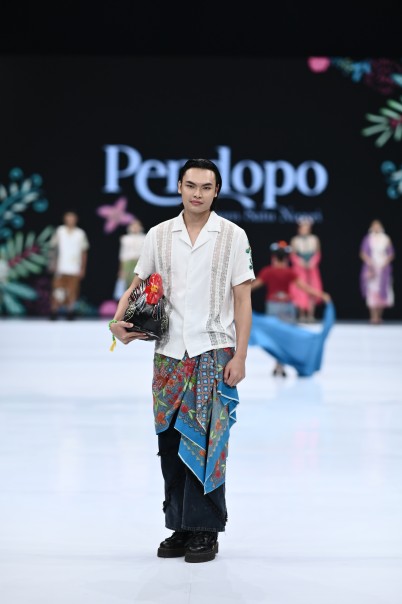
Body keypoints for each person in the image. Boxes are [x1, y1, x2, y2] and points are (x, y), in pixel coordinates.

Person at [109, 158, 255, 563]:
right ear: (178, 187)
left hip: (214, 350)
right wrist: (117, 323)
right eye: (191, 185)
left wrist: (241, 355)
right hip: (168, 354)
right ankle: (179, 525)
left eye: (206, 187)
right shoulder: (158, 235)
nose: (197, 193)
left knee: (207, 441)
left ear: (216, 191)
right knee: (170, 441)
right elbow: (137, 285)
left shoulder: (233, 236)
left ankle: (205, 529)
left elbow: (243, 299)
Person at [251, 240, 330, 376]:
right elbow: (305, 288)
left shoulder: (268, 272)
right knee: (285, 337)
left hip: (273, 307)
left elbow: (253, 286)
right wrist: (321, 295)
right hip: (287, 307)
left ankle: (278, 365)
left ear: (273, 257)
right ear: (286, 258)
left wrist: (235, 292)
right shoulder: (290, 272)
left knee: (275, 337)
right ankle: (281, 365)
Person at [49, 210, 89, 320]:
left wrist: (83, 268)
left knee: (72, 290)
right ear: (65, 219)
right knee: (57, 290)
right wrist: (52, 263)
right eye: (68, 218)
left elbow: (84, 252)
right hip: (60, 267)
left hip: (74, 267)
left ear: (76, 220)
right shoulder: (60, 231)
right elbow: (53, 248)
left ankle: (70, 312)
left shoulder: (80, 233)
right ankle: (54, 312)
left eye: (72, 218)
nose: (70, 220)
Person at [359, 219, 395, 324]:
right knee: (372, 291)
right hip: (371, 268)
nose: (376, 228)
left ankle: (379, 316)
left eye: (378, 226)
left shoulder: (386, 239)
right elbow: (362, 253)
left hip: (383, 269)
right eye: (374, 226)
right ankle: (373, 317)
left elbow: (391, 254)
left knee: (382, 291)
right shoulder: (368, 239)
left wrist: (384, 263)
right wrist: (369, 262)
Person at [289, 217, 323, 322]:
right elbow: (292, 255)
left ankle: (311, 315)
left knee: (313, 289)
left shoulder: (314, 239)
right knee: (300, 290)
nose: (304, 230)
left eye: (306, 228)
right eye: (303, 228)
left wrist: (313, 262)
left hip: (312, 269)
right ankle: (302, 315)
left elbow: (318, 253)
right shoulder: (295, 240)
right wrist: (300, 262)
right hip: (299, 269)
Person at [114, 217, 147, 297]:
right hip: (128, 263)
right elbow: (122, 254)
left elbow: (146, 253)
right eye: (133, 225)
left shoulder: (144, 237)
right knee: (127, 284)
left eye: (137, 225)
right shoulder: (125, 239)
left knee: (139, 284)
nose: (135, 227)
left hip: (139, 263)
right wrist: (121, 269)